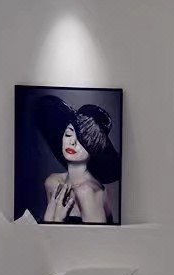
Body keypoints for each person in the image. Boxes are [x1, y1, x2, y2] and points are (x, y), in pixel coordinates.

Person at [34, 95, 120, 224]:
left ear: (94, 148)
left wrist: (57, 221)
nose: (72, 142)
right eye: (68, 134)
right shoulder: (52, 182)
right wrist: (51, 220)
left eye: (82, 140)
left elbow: (99, 238)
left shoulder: (87, 192)